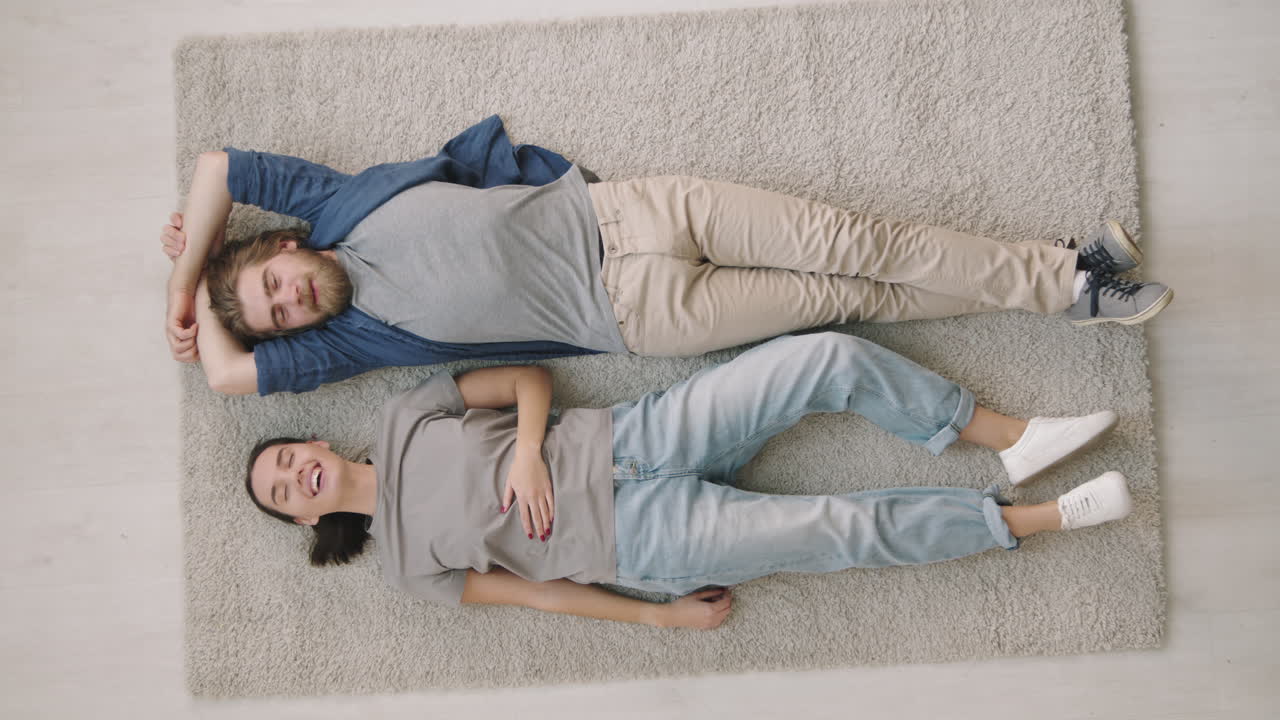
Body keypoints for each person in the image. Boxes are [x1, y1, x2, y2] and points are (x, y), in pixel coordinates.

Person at [163, 116, 1173, 396]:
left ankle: (1060, 281)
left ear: (280, 245)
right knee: (846, 294)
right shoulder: (350, 343)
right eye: (286, 313)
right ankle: (1062, 278)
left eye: (272, 283)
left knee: (864, 240)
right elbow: (224, 374)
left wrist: (186, 274)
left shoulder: (336, 204)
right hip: (639, 316)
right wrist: (209, 318)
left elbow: (218, 165)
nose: (294, 301)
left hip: (637, 210)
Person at [244, 332, 1133, 629]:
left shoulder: (408, 415)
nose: (295, 476)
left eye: (285, 459)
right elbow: (541, 600)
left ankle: (1012, 438)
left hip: (637, 436)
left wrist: (523, 449)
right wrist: (658, 616)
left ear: (313, 440)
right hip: (641, 541)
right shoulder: (406, 567)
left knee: (821, 357)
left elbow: (527, 381)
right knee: (834, 531)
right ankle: (1036, 517)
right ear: (305, 519)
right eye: (284, 492)